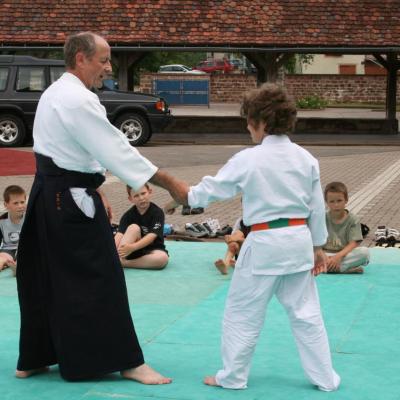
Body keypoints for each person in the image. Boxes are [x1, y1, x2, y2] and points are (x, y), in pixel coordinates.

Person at [15, 31, 188, 384]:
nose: (108, 68)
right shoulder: (78, 99)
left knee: (43, 275)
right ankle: (127, 361)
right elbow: (116, 149)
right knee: (102, 277)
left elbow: (74, 150)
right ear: (81, 58)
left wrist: (96, 186)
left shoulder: (54, 92)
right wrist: (172, 183)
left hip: (49, 195)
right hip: (69, 200)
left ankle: (34, 357)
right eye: (103, 60)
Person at [166, 83, 340, 391]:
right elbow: (316, 207)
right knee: (307, 314)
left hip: (264, 244)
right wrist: (318, 247)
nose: (247, 127)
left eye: (249, 121)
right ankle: (326, 378)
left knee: (243, 313)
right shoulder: (307, 159)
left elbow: (215, 187)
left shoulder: (249, 158)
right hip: (299, 241)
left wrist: (188, 195)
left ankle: (233, 377)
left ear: (261, 122)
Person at [115, 184, 169, 270]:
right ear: (130, 199)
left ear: (150, 192)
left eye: (143, 193)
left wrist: (133, 247)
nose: (141, 198)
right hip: (132, 251)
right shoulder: (128, 215)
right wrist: (110, 251)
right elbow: (119, 235)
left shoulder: (157, 213)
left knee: (162, 258)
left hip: (152, 249)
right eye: (136, 196)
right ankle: (117, 258)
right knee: (133, 228)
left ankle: (123, 263)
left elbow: (152, 236)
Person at [323, 181, 370, 274]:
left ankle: (325, 268)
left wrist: (338, 257)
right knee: (305, 253)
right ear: (327, 203)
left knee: (365, 253)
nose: (336, 205)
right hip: (325, 254)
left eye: (339, 201)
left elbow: (353, 243)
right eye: (332, 201)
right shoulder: (322, 218)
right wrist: (323, 257)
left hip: (344, 254)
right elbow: (316, 243)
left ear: (346, 200)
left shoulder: (353, 219)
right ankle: (342, 269)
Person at [0, 185, 26, 276]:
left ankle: (17, 267)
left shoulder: (30, 219)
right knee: (1, 259)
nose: (20, 206)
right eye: (16, 203)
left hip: (25, 248)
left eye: (22, 202)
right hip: (8, 250)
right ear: (6, 205)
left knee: (28, 257)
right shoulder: (1, 221)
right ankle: (7, 264)